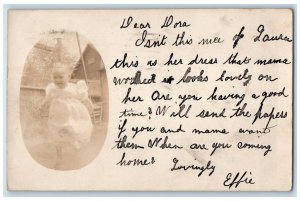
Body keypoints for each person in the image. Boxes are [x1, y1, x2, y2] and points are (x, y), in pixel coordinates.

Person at [39, 62, 93, 168]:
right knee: (56, 133)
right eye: (55, 77)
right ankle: (59, 155)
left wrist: (89, 104)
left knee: (75, 130)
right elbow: (47, 98)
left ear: (68, 77)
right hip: (57, 115)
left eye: (61, 77)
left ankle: (77, 152)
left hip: (72, 115)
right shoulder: (52, 88)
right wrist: (42, 104)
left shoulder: (74, 88)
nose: (58, 80)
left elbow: (84, 98)